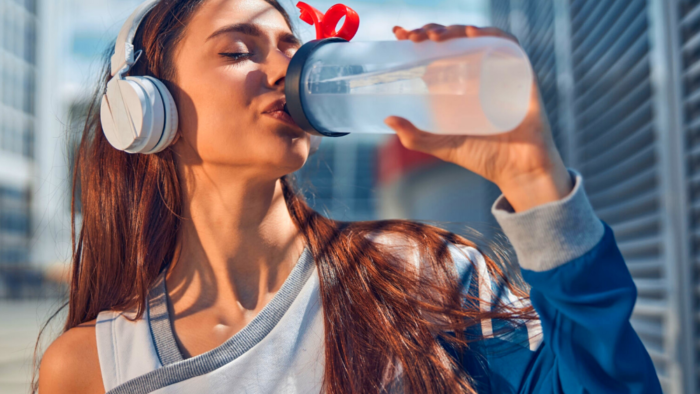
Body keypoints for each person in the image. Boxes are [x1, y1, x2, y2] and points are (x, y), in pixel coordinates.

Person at [36, 0, 663, 393]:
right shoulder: (92, 367)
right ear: (147, 112)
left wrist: (534, 182)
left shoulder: (425, 277)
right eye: (237, 51)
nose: (286, 70)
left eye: (293, 48)